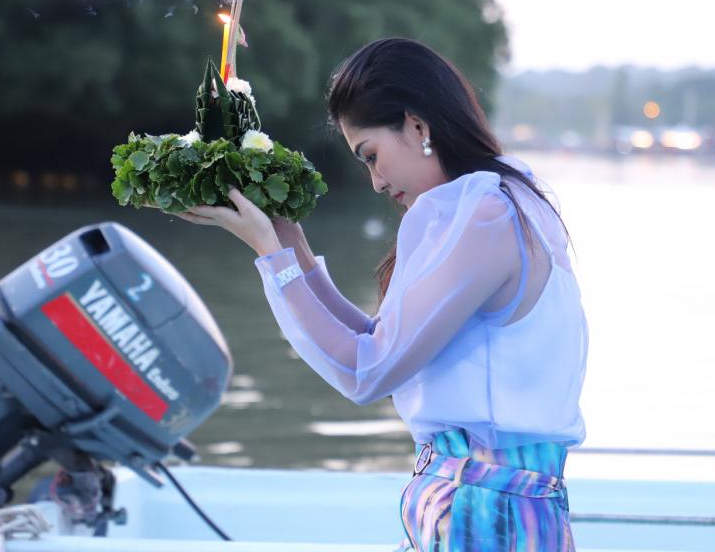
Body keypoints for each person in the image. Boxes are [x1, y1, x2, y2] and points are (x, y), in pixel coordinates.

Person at [170, 37, 588, 551]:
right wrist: (288, 241)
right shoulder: (498, 202)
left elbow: (368, 372)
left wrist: (270, 256)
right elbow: (385, 343)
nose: (375, 182)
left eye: (372, 155)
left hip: (485, 515)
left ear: (417, 126)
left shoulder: (486, 217)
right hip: (482, 507)